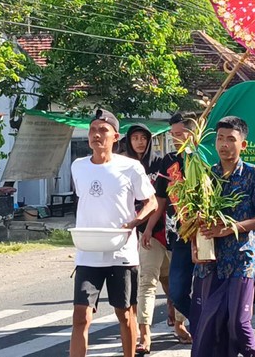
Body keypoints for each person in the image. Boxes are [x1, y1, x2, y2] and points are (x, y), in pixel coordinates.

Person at [69, 109, 158, 357]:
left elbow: (151, 202)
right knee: (80, 316)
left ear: (115, 136)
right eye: (93, 130)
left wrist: (135, 221)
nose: (97, 135)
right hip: (88, 253)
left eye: (103, 130)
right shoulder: (78, 166)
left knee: (125, 313)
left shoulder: (130, 167)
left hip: (122, 253)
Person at [191, 116, 255, 357]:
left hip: (242, 258)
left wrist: (230, 228)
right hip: (212, 260)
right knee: (211, 322)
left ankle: (252, 353)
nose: (224, 144)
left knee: (238, 322)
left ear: (243, 144)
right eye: (220, 138)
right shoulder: (207, 176)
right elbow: (195, 217)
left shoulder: (254, 174)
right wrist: (195, 244)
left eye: (231, 139)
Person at [124, 124, 185, 354]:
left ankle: (179, 323)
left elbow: (162, 199)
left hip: (172, 230)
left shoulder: (163, 162)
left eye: (143, 138)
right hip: (145, 232)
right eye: (135, 138)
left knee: (174, 282)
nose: (139, 142)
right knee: (147, 282)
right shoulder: (122, 166)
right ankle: (145, 335)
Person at [148, 112, 195, 343]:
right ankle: (191, 321)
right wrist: (148, 228)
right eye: (173, 134)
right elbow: (161, 200)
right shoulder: (169, 160)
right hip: (178, 233)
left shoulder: (207, 157)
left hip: (207, 232)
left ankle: (197, 327)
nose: (176, 138)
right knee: (177, 289)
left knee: (201, 287)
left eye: (181, 134)